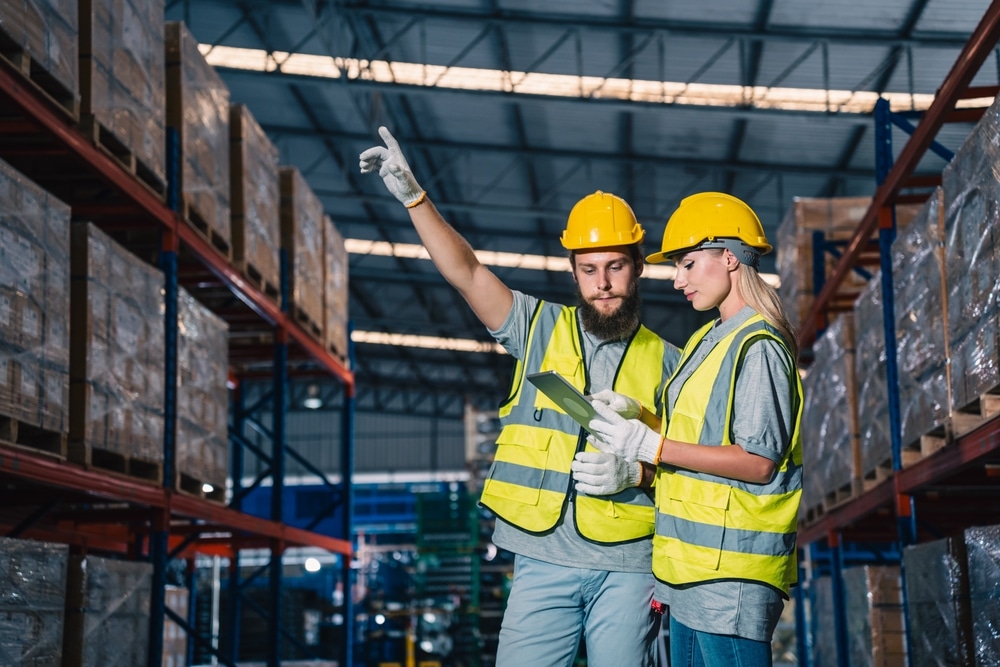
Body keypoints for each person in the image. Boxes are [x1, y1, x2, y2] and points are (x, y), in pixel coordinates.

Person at [360, 126, 680, 667]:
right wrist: (416, 200)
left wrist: (642, 473)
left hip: (631, 565)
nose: (602, 283)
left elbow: (689, 467)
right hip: (540, 558)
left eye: (616, 267)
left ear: (639, 265)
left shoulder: (674, 363)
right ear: (574, 271)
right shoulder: (536, 327)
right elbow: (467, 273)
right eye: (589, 269)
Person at [586, 192, 803, 667]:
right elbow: (702, 434)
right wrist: (638, 415)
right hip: (687, 573)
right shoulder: (708, 337)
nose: (678, 280)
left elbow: (758, 461)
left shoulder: (759, 345)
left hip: (730, 578)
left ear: (729, 257)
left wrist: (651, 445)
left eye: (687, 263)